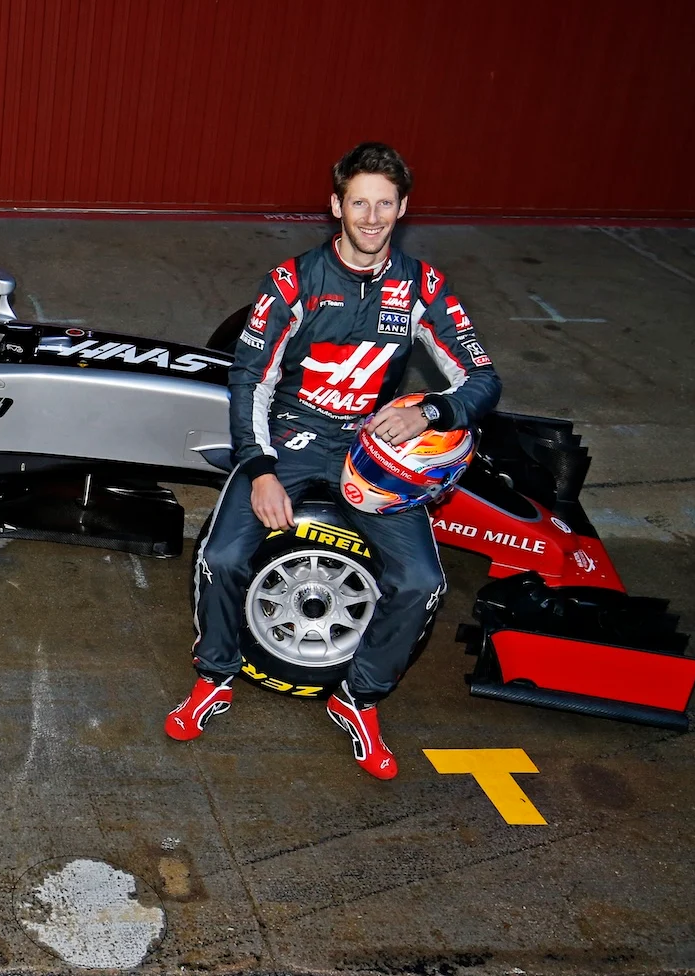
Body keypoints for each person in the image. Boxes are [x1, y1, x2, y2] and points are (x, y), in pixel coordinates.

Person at [165, 143, 500, 778]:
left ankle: (359, 697)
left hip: (375, 448)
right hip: (292, 434)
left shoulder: (423, 286)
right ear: (336, 206)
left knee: (422, 582)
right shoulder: (292, 281)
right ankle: (215, 676)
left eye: (384, 204)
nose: (371, 217)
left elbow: (481, 379)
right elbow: (250, 381)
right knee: (224, 555)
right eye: (358, 203)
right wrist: (260, 468)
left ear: (402, 208)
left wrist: (428, 413)